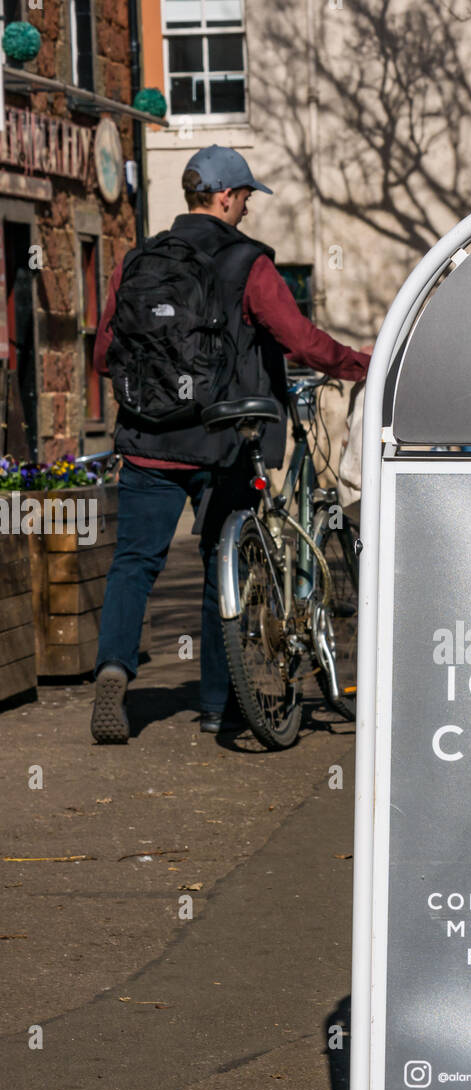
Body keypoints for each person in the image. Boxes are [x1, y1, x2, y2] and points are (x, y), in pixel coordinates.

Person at [90, 145, 371, 743]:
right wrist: (359, 364)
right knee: (228, 568)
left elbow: (102, 355)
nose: (246, 208)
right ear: (224, 196)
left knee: (134, 564)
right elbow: (299, 341)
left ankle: (114, 668)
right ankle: (220, 705)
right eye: (244, 197)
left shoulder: (136, 260)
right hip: (225, 441)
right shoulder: (248, 263)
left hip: (146, 440)